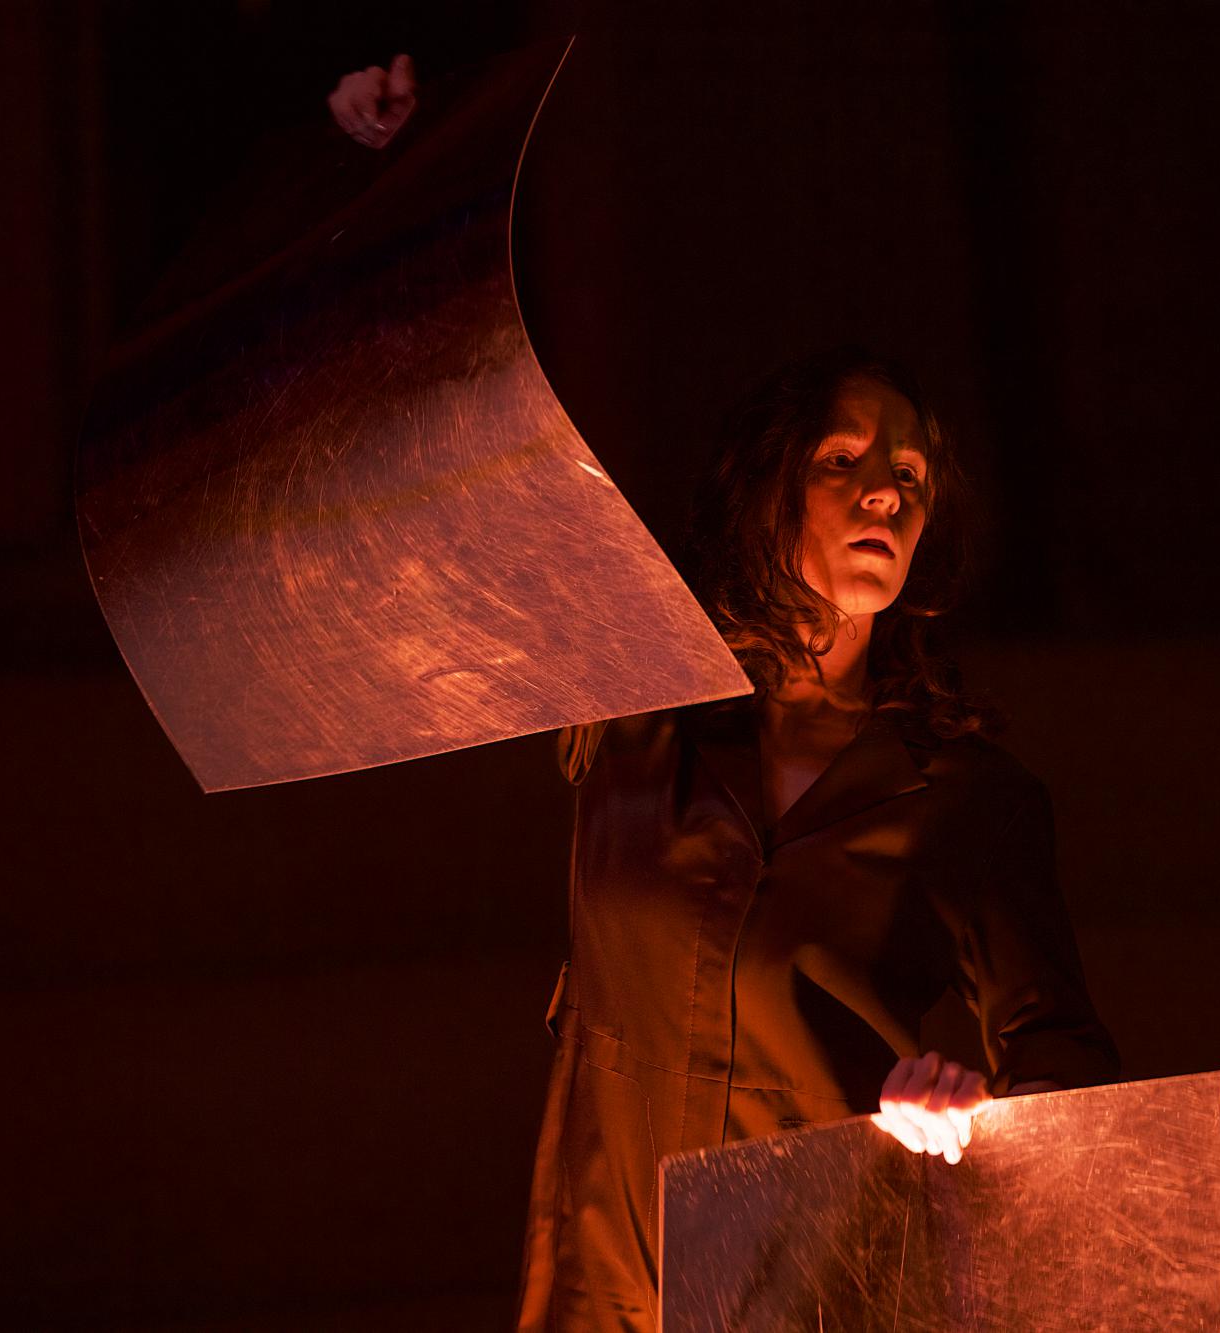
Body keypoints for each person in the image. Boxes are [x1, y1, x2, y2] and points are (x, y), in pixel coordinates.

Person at [327, 63, 1118, 1333]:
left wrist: (969, 1113)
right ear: (772, 487)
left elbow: (1065, 1065)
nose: (885, 489)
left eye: (911, 474)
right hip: (603, 1295)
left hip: (820, 1299)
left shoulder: (963, 798)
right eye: (844, 458)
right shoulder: (634, 711)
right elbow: (448, 474)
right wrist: (393, 183)